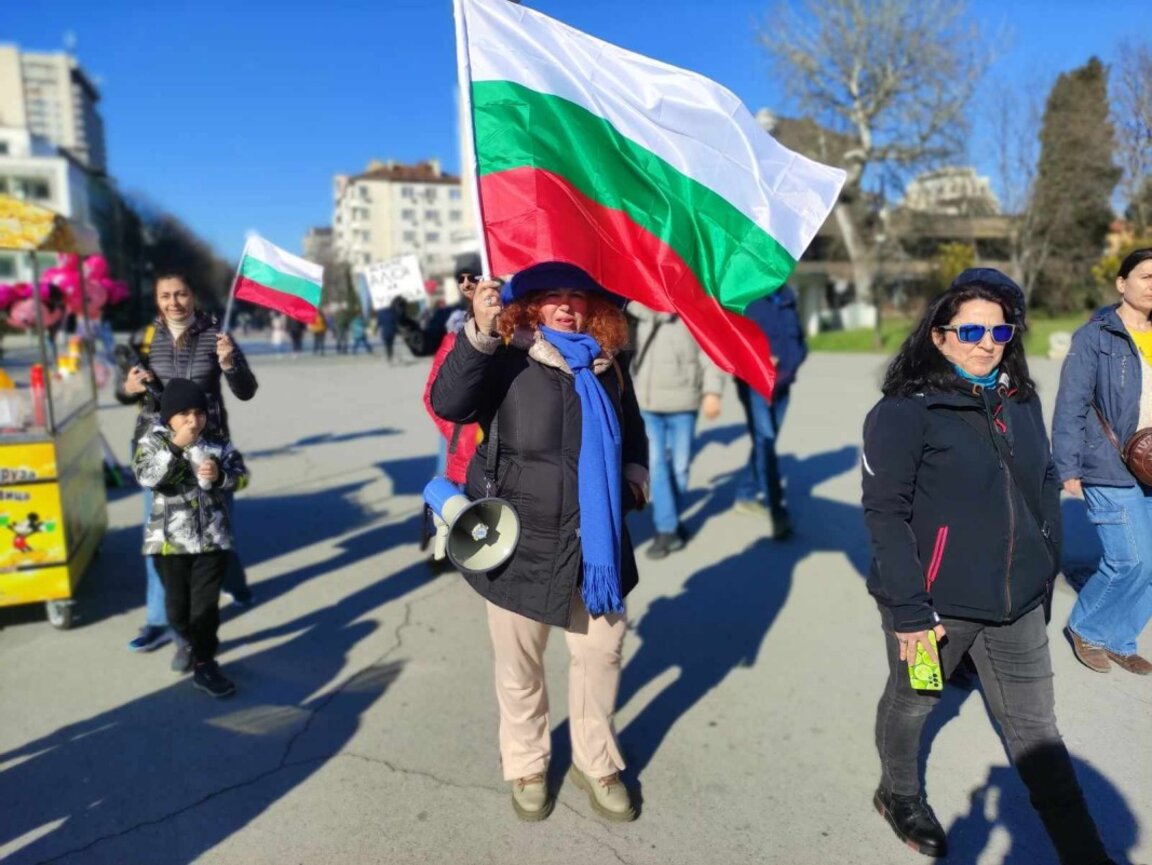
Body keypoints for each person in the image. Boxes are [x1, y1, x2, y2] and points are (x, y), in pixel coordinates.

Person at [861, 270, 1116, 864]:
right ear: (939, 335)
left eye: (999, 329)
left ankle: (1086, 853)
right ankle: (898, 793)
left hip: (1018, 606)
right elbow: (885, 516)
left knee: (1038, 734)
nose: (986, 341)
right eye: (970, 329)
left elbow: (1045, 479)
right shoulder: (904, 412)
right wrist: (909, 612)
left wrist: (1044, 561)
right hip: (932, 611)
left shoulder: (1018, 397)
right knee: (916, 699)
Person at [431, 261, 648, 823]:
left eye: (577, 297)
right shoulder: (505, 358)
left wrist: (634, 472)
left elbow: (633, 428)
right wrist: (477, 333)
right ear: (529, 305)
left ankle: (596, 761)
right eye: (553, 297)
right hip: (517, 541)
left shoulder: (608, 367)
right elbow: (449, 402)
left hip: (594, 543)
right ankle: (527, 764)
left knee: (601, 655)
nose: (567, 306)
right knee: (521, 667)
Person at [116, 271, 258, 664]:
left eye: (181, 293)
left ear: (193, 295)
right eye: (166, 295)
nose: (174, 302)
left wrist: (230, 364)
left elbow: (246, 390)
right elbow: (124, 388)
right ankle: (163, 622)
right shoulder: (148, 338)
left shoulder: (217, 336)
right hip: (162, 446)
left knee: (215, 528)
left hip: (208, 446)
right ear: (158, 300)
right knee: (164, 537)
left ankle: (236, 583)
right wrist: (126, 388)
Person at [1053, 247, 1152, 675]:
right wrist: (1068, 465)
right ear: (1121, 283)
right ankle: (1087, 627)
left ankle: (1120, 638)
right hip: (1109, 464)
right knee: (1130, 559)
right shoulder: (1094, 336)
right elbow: (1070, 404)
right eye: (1146, 276)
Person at [133, 378, 249, 698]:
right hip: (169, 542)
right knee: (177, 608)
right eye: (183, 413)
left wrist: (222, 476)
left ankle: (205, 662)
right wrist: (175, 446)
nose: (193, 420)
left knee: (205, 608)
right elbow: (146, 476)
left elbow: (241, 477)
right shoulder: (154, 441)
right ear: (169, 416)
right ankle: (184, 639)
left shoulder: (216, 440)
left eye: (198, 412)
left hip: (212, 539)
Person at [627, 302, 723, 558]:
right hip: (647, 403)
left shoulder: (697, 312)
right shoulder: (638, 311)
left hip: (685, 402)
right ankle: (667, 529)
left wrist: (712, 391)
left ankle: (671, 519)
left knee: (680, 468)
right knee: (657, 465)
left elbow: (710, 354)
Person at [732, 286, 807, 540]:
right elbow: (735, 344)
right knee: (765, 442)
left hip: (783, 383)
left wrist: (795, 360)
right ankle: (778, 512)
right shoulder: (747, 298)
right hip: (757, 385)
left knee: (766, 441)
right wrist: (762, 359)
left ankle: (745, 493)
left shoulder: (788, 298)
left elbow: (798, 338)